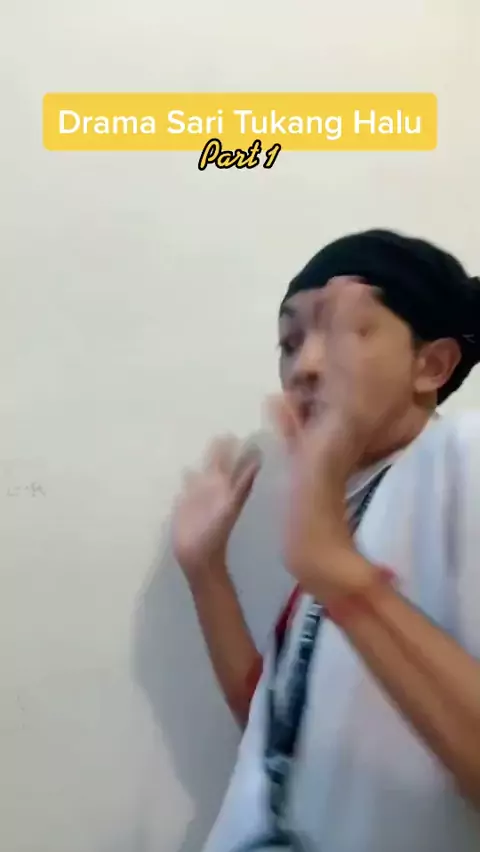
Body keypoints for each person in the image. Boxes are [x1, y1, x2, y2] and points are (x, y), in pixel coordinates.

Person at [172, 229, 480, 852]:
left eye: (340, 334)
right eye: (290, 342)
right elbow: (281, 732)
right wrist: (206, 572)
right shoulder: (350, 501)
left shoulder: (462, 458)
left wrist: (339, 573)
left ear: (432, 365)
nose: (305, 366)